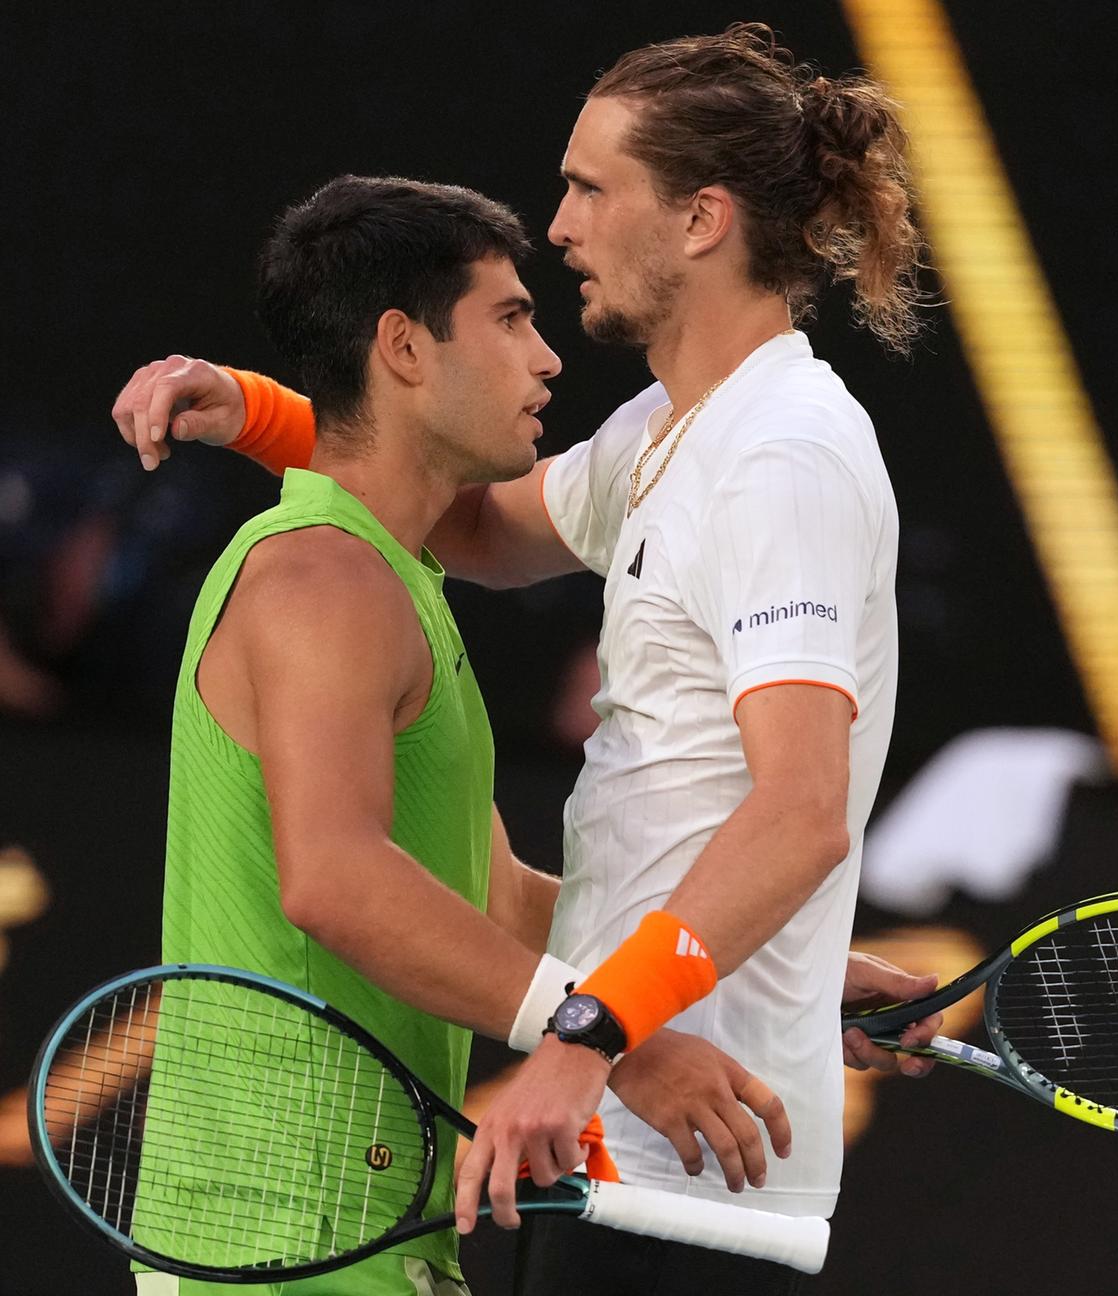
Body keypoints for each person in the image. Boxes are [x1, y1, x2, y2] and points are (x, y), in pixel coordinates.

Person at [114, 26, 942, 1296]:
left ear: (702, 219)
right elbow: (462, 517)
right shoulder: (662, 435)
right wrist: (270, 412)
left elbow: (797, 815)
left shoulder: (780, 456)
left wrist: (592, 1032)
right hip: (627, 1136)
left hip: (693, 1164)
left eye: (591, 188)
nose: (561, 227)